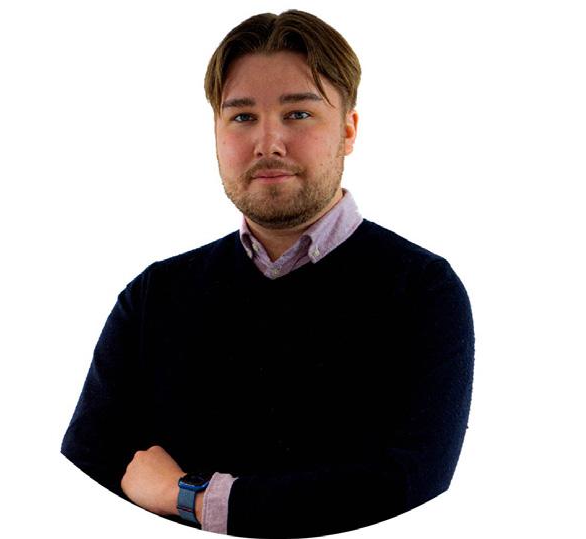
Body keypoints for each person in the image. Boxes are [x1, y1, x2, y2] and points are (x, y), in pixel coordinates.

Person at [61, 9, 475, 539]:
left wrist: (189, 497)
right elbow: (87, 475)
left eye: (298, 114)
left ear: (348, 130)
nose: (268, 143)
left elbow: (409, 488)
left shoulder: (422, 290)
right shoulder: (154, 296)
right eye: (242, 117)